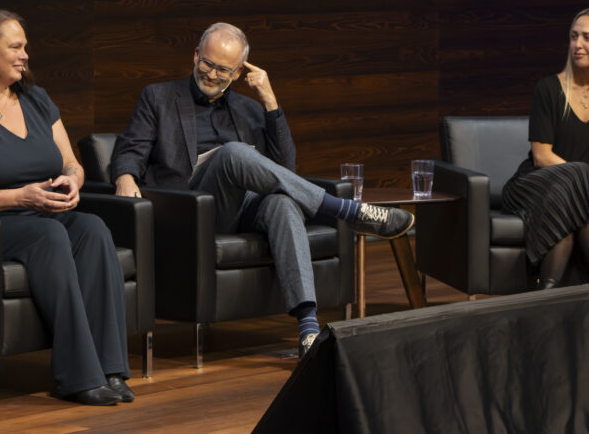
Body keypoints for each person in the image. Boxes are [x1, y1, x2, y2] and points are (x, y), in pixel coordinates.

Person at [111, 22, 414, 357]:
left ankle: (308, 331)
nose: (211, 74)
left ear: (240, 71)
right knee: (235, 152)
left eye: (223, 69)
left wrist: (269, 100)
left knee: (282, 203)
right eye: (206, 63)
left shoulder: (249, 108)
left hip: (240, 208)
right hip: (191, 210)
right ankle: (346, 211)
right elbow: (129, 149)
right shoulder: (159, 97)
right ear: (196, 55)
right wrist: (125, 177)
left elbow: (284, 170)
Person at [0, 8, 132, 406]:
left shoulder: (37, 100)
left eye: (25, 46)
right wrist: (20, 196)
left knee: (94, 229)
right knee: (48, 234)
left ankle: (111, 368)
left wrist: (72, 180)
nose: (25, 54)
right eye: (15, 46)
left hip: (41, 211)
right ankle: (77, 375)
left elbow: (72, 161)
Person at [501, 6, 589, 316]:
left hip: (566, 196)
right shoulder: (549, 89)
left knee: (569, 205)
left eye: (587, 38)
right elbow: (542, 157)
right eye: (573, 37)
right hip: (534, 184)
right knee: (576, 182)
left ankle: (545, 297)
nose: (577, 45)